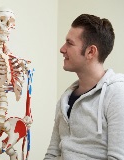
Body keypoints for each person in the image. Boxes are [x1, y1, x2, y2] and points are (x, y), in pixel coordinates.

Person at [44, 14, 124, 159]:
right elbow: (51, 154)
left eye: (70, 43)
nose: (62, 49)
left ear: (90, 52)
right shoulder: (65, 99)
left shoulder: (117, 94)